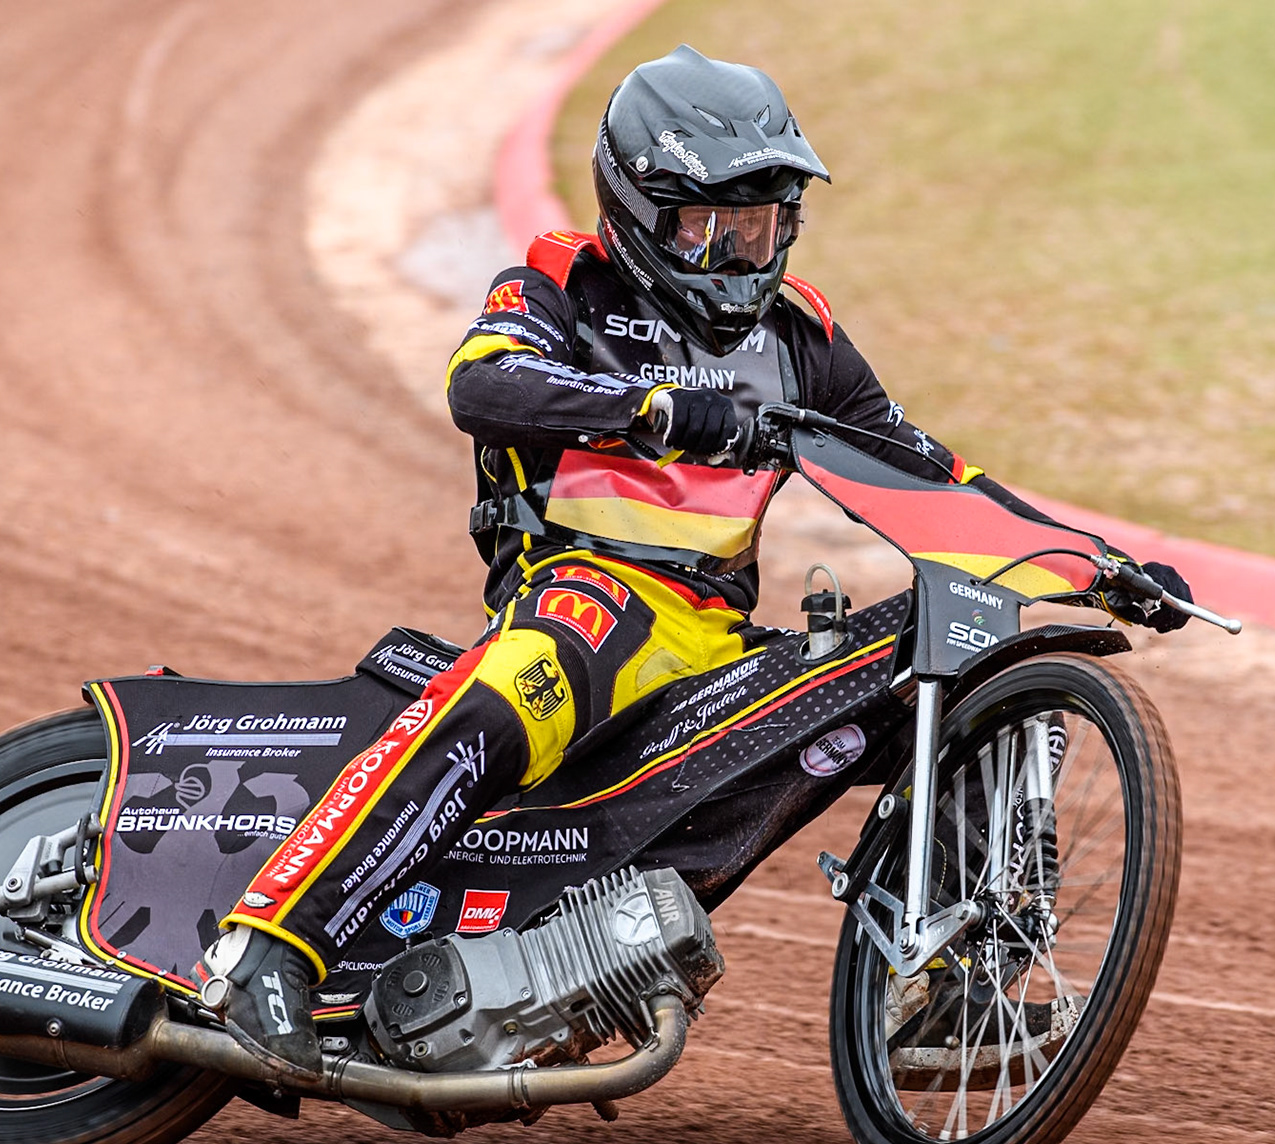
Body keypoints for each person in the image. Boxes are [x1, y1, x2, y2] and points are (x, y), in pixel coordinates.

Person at [198, 45, 1191, 1077]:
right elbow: (481, 387)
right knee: (523, 681)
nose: (737, 254)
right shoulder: (561, 282)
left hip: (716, 648)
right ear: (635, 204)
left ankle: (938, 991)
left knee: (960, 654)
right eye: (709, 225)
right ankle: (267, 944)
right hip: (584, 596)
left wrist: (1091, 560)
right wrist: (656, 412)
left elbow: (932, 473)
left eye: (760, 225)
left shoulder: (802, 336)